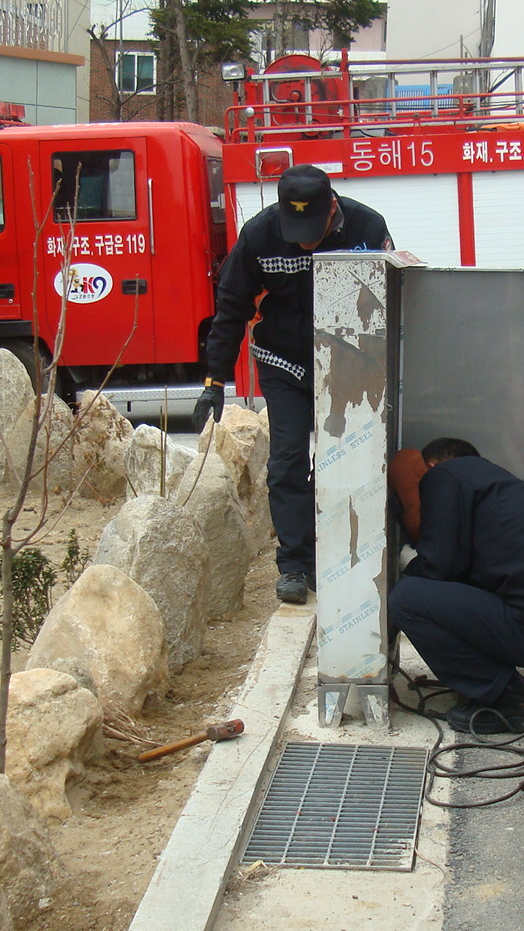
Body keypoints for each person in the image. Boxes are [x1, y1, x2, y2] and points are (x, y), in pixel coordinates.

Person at [194, 164, 392, 604]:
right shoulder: (259, 235)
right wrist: (214, 379)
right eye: (295, 230)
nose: (304, 241)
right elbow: (231, 307)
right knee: (286, 460)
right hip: (283, 362)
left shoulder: (367, 227)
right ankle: (295, 565)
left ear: (332, 209)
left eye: (312, 230)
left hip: (347, 367)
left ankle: (346, 552)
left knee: (345, 458)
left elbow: (390, 297)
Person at [389, 437, 524, 735]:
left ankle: (507, 696)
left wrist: (405, 557)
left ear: (432, 466)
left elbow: (436, 569)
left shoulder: (446, 476)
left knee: (407, 599)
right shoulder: (502, 489)